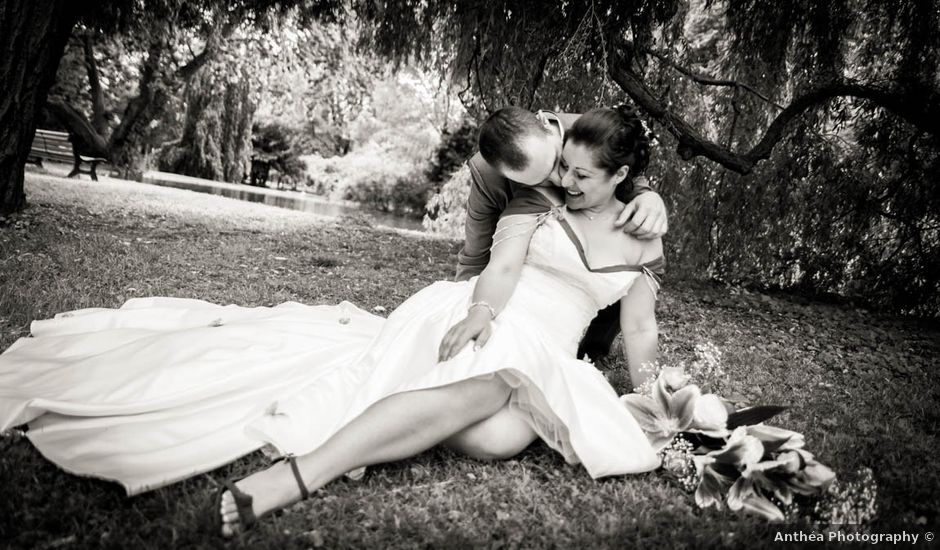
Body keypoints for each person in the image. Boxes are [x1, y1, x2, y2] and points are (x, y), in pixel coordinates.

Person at [0, 106, 663, 538]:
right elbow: (504, 264)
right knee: (501, 374)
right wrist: (482, 311)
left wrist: (656, 392)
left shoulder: (642, 233)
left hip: (554, 349)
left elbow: (639, 328)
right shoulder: (537, 199)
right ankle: (302, 475)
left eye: (580, 175)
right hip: (495, 319)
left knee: (496, 439)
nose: (566, 182)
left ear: (621, 175)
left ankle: (467, 398)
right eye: (563, 170)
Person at [460, 106, 668, 360]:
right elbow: (478, 255)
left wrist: (648, 196)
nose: (562, 182)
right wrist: (472, 309)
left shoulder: (587, 131)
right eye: (540, 180)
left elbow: (619, 167)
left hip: (572, 315)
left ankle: (594, 350)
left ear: (552, 132)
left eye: (558, 163)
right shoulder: (488, 175)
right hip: (518, 273)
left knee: (615, 258)